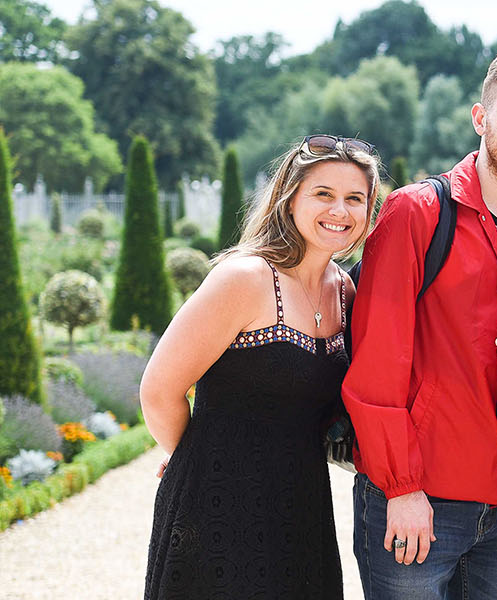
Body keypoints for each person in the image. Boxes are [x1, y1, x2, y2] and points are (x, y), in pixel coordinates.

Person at [342, 48, 497, 599]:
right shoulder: (415, 214)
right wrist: (400, 488)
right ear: (480, 118)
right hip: (418, 498)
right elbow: (377, 362)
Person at [140, 134, 379, 599]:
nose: (340, 211)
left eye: (355, 198)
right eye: (323, 194)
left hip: (301, 505)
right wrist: (194, 460)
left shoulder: (345, 292)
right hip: (216, 504)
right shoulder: (244, 278)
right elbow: (159, 389)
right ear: (290, 200)